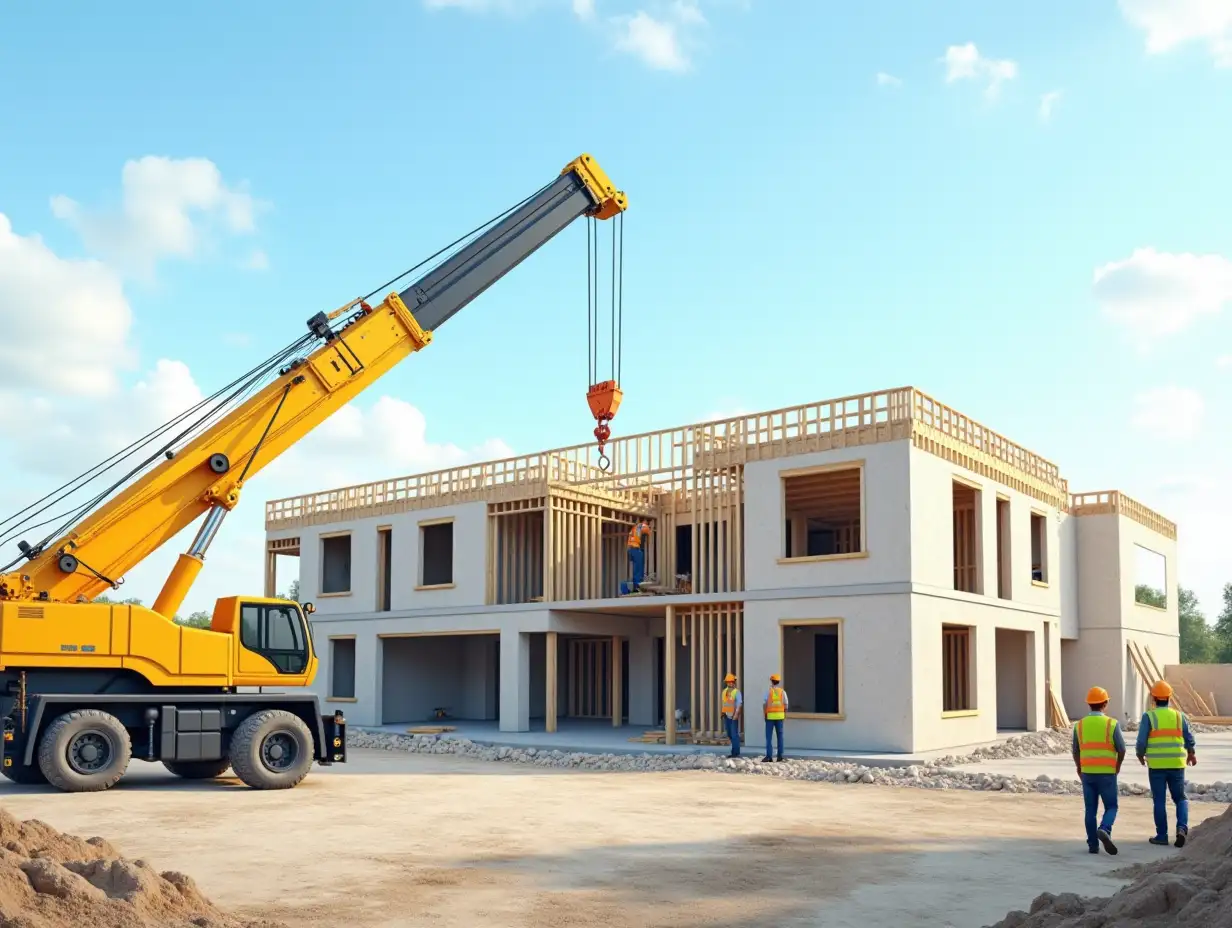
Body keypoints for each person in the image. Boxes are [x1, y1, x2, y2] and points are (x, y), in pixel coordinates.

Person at [1136, 679, 1198, 848]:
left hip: (1156, 765)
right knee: (1180, 798)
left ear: (1153, 698)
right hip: (1177, 764)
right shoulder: (1179, 716)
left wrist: (1140, 755)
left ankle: (1162, 835)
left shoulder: (1149, 716)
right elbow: (1188, 737)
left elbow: (1141, 741)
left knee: (1159, 801)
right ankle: (1182, 828)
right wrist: (1191, 753)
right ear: (1170, 697)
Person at [1073, 685, 1125, 855]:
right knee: (1111, 806)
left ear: (1089, 704)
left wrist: (1079, 768)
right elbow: (1121, 749)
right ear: (1105, 704)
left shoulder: (1079, 725)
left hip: (1087, 773)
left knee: (1090, 810)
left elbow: (1076, 750)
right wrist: (1117, 766)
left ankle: (1093, 845)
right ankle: (1105, 829)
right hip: (1107, 773)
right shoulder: (1112, 724)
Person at [762, 673, 787, 762]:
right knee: (780, 736)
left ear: (771, 681)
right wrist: (784, 715)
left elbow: (764, 704)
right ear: (778, 682)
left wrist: (765, 714)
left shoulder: (768, 692)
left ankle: (769, 756)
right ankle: (780, 756)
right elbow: (786, 705)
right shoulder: (782, 692)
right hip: (780, 717)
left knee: (769, 737)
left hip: (770, 717)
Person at [721, 673, 742, 757]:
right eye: (728, 682)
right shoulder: (724, 691)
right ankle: (735, 750)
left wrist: (736, 714)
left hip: (733, 716)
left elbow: (739, 704)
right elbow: (724, 703)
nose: (730, 683)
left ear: (734, 682)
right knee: (729, 734)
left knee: (734, 734)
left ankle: (735, 752)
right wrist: (723, 712)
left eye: (731, 682)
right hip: (727, 716)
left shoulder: (737, 692)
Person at [626, 519, 651, 589]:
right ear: (644, 522)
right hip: (636, 549)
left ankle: (635, 586)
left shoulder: (634, 528)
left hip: (630, 549)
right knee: (639, 568)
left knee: (635, 569)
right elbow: (647, 532)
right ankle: (638, 586)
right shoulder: (642, 525)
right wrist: (649, 530)